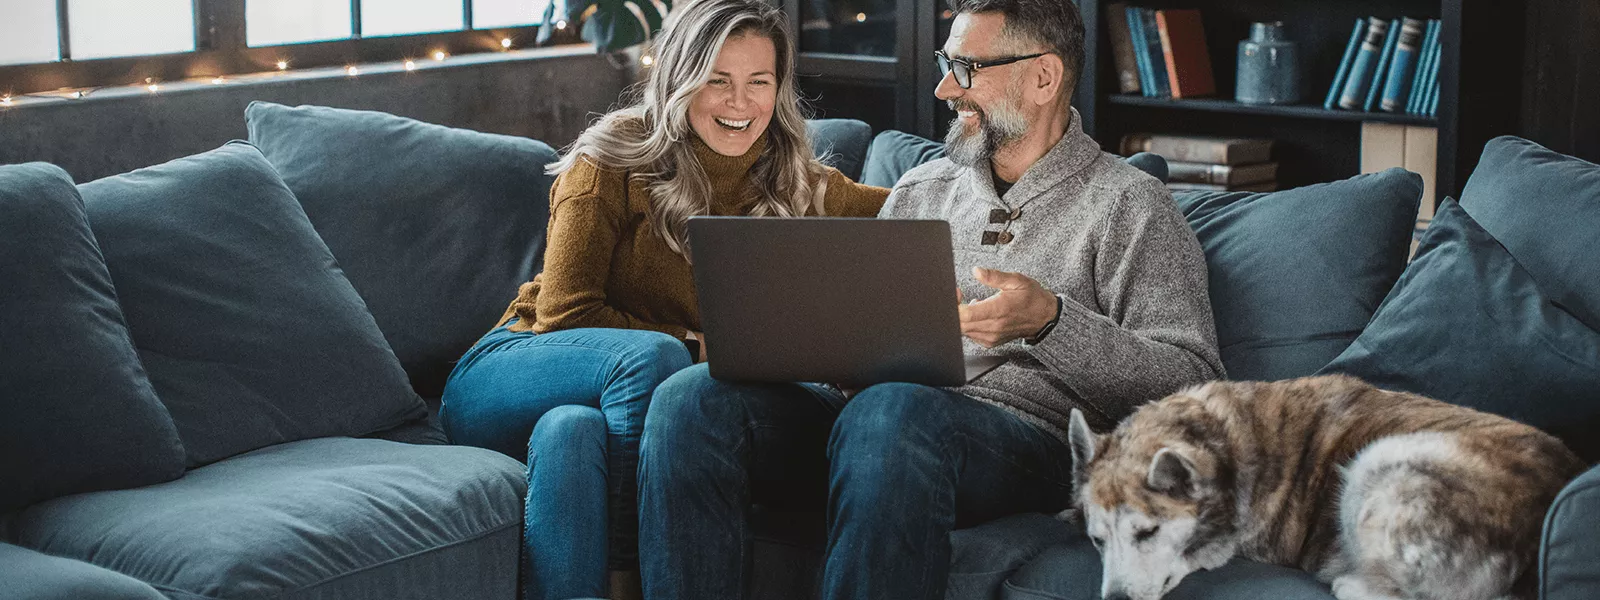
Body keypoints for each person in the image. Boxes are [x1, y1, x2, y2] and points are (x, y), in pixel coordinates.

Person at [636, 0, 1226, 598]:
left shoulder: (1130, 205)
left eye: (967, 68)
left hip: (1025, 443)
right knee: (693, 397)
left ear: (1044, 77)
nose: (945, 88)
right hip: (875, 423)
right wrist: (830, 351)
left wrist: (1052, 322)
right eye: (948, 62)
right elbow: (863, 342)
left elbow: (1193, 384)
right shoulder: (923, 188)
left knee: (893, 412)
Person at [437, 0, 890, 597]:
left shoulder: (797, 181)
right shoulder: (612, 158)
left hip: (597, 406)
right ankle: (631, 580)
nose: (740, 103)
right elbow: (563, 313)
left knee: (571, 433)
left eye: (760, 82)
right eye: (717, 80)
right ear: (680, 79)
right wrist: (694, 345)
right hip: (513, 367)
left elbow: (915, 214)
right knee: (652, 358)